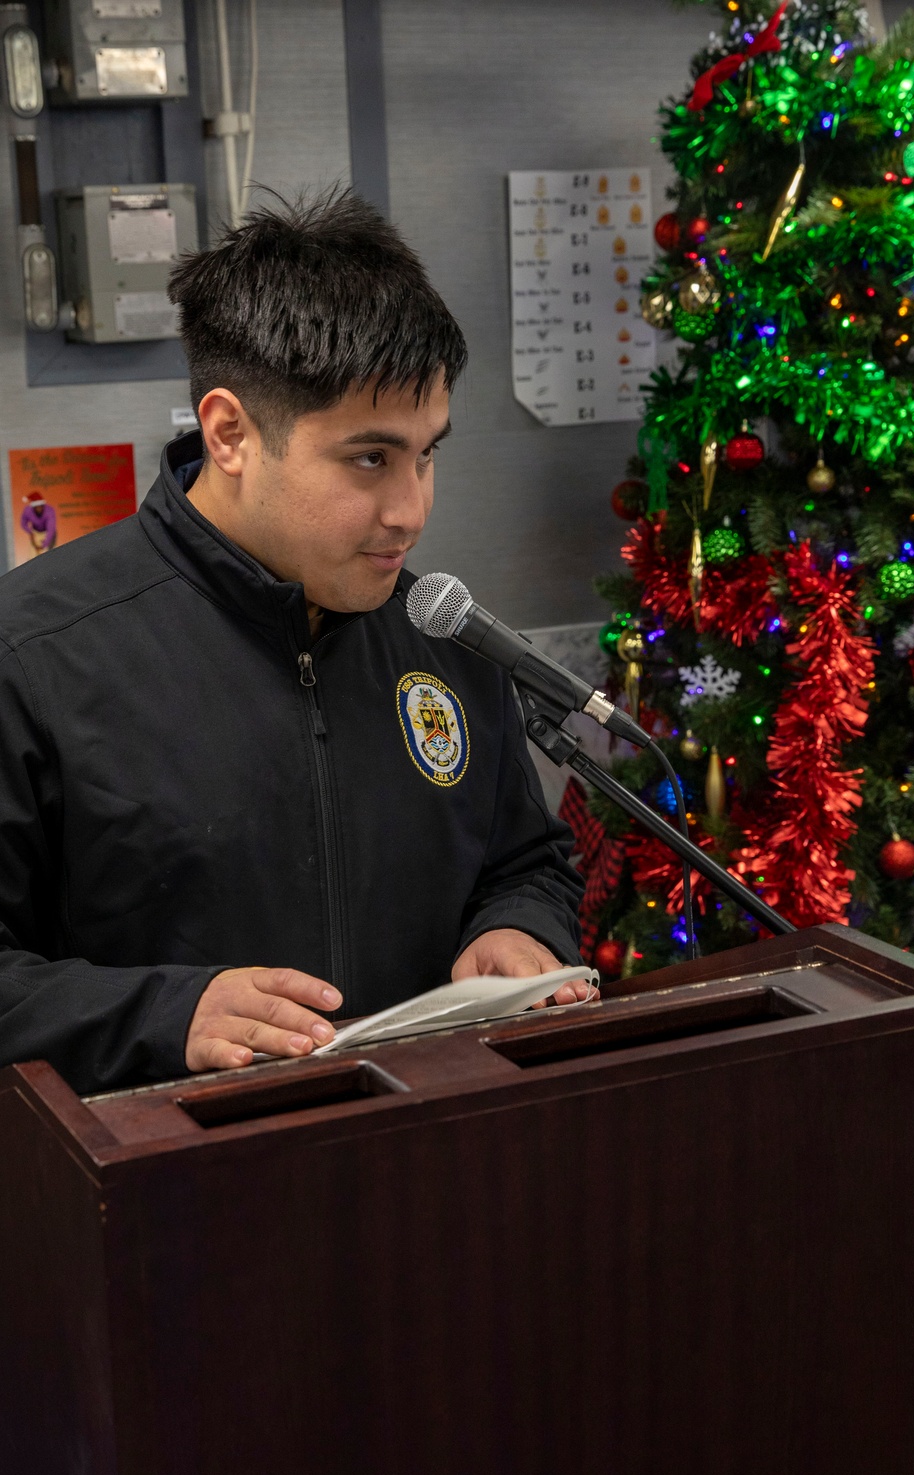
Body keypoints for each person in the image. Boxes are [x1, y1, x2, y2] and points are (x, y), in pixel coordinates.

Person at [0, 191, 587, 1096]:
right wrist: (165, 1015)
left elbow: (525, 862)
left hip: (435, 1163)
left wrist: (516, 931)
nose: (412, 510)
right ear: (229, 432)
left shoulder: (441, 625)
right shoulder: (36, 654)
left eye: (428, 454)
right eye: (370, 459)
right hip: (166, 1198)